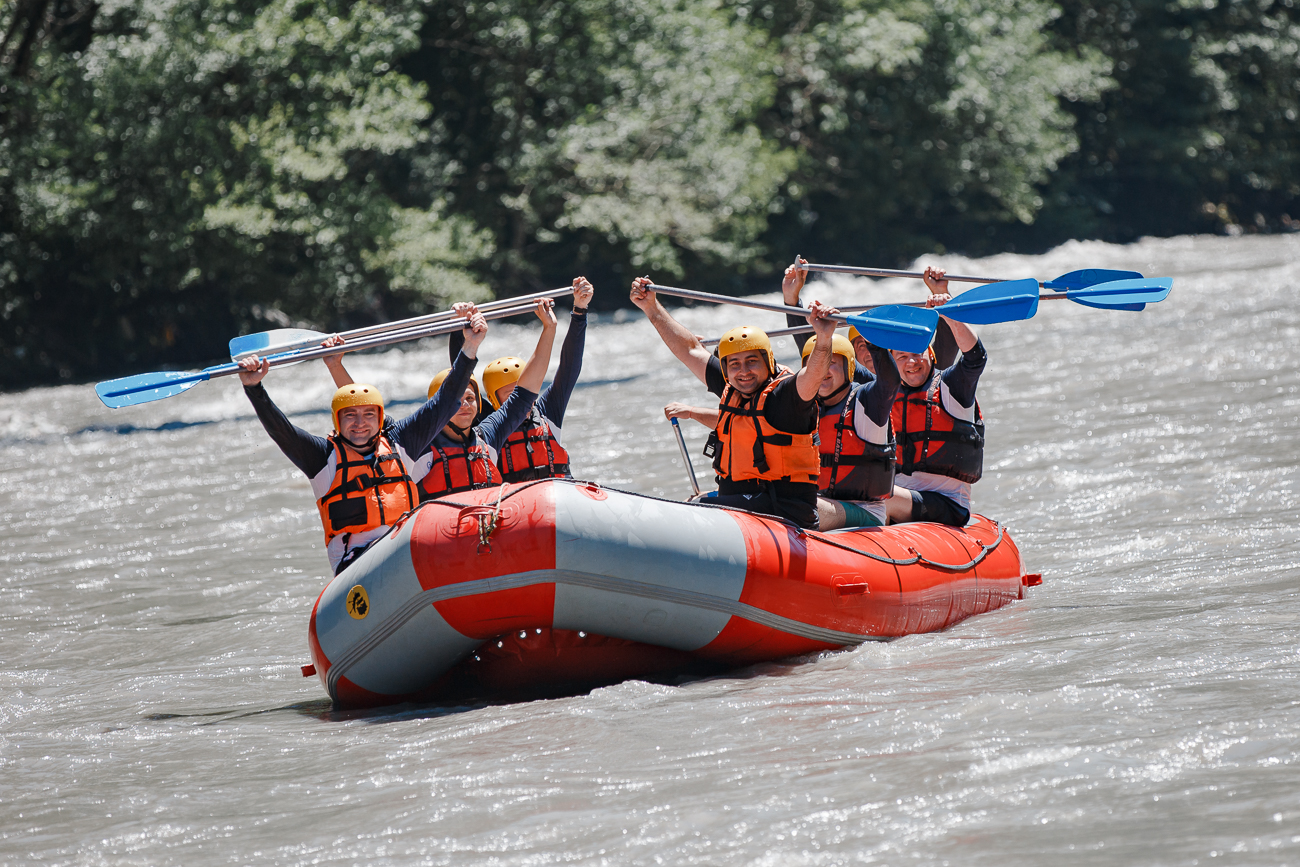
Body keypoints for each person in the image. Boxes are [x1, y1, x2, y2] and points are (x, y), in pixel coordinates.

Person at [236, 307, 489, 574]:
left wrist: (470, 346)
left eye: (369, 414)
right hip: (358, 565)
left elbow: (446, 402)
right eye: (350, 415)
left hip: (408, 552)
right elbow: (282, 431)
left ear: (380, 418)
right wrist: (254, 388)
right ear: (337, 421)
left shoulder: (400, 442)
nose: (360, 423)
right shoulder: (322, 458)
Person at [631, 276, 838, 529]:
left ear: (768, 362)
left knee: (695, 509)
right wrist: (651, 308)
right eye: (735, 364)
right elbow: (689, 349)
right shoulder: (733, 385)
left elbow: (813, 376)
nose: (744, 371)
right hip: (744, 504)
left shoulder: (785, 396)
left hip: (784, 511)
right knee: (694, 502)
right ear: (726, 369)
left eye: (752, 361)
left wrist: (824, 339)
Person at [666, 332, 903, 530]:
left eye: (832, 363)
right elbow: (741, 424)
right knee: (714, 497)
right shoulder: (800, 404)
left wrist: (873, 341)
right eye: (816, 364)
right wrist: (694, 412)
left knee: (789, 502)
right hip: (817, 498)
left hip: (860, 508)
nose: (822, 371)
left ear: (849, 367)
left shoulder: (868, 403)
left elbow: (889, 383)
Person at [326, 300, 560, 499]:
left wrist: (549, 329)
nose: (465, 405)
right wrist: (336, 365)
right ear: (444, 406)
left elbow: (525, 392)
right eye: (458, 400)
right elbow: (364, 410)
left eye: (471, 398)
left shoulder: (488, 435)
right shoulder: (415, 441)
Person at [449, 277, 594, 482]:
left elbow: (569, 369)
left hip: (559, 496)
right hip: (516, 506)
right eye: (511, 396)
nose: (524, 402)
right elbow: (461, 383)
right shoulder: (489, 424)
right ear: (494, 400)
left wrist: (580, 310)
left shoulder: (547, 411)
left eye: (526, 391)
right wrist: (458, 328)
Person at [889, 268, 986, 527]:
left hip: (947, 503)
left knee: (875, 495)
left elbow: (976, 358)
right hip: (902, 499)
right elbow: (831, 373)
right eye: (901, 356)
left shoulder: (951, 386)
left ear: (930, 354)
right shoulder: (883, 393)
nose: (911, 362)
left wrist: (949, 310)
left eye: (917, 353)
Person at [781, 256, 959, 378]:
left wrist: (941, 294)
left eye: (879, 343)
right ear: (851, 354)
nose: (874, 352)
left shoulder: (916, 372)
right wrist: (791, 299)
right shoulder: (847, 382)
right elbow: (815, 354)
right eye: (864, 344)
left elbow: (946, 348)